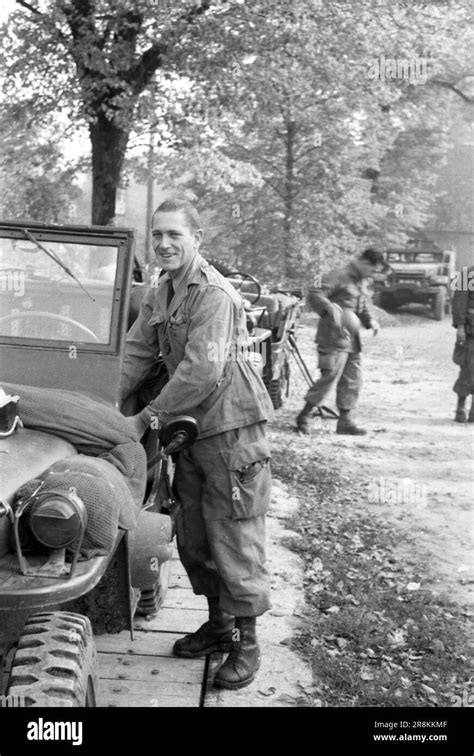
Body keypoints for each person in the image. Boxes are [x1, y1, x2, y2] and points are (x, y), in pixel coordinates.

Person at [119, 197, 274, 690]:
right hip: (189, 430)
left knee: (234, 537)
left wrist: (147, 417)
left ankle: (248, 646)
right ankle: (219, 626)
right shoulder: (161, 292)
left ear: (197, 240)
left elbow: (202, 371)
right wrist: (97, 405)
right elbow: (135, 354)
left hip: (231, 432)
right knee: (194, 536)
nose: (163, 244)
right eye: (157, 235)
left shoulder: (214, 295)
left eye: (174, 235)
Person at [296, 248, 386, 435]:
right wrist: (331, 310)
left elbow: (360, 305)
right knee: (329, 377)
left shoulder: (361, 281)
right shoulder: (338, 275)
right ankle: (304, 416)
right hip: (333, 336)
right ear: (365, 263)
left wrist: (370, 321)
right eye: (373, 270)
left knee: (352, 379)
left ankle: (345, 422)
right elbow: (315, 293)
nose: (373, 274)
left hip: (352, 339)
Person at [452, 265, 474, 422]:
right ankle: (460, 408)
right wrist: (460, 326)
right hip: (470, 330)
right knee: (467, 368)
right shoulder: (467, 275)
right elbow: (459, 302)